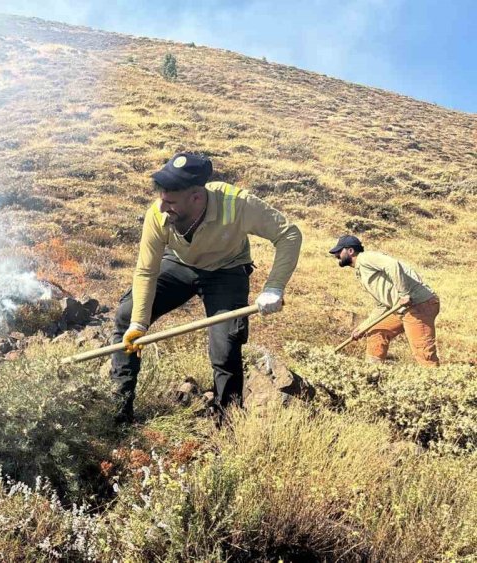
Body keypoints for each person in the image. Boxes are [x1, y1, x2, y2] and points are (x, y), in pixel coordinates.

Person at [111, 152, 303, 424]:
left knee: (225, 348)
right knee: (126, 316)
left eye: (171, 202)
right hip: (179, 264)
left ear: (197, 198)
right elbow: (146, 271)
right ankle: (119, 408)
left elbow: (289, 234)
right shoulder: (158, 212)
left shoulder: (236, 204)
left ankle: (227, 423)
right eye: (162, 199)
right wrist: (139, 324)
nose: (163, 207)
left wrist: (274, 287)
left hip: (226, 271)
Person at [329, 235, 440, 366]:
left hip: (418, 305)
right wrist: (363, 327)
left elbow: (392, 264)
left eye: (339, 251)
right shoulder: (361, 271)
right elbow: (382, 304)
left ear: (351, 251)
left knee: (423, 352)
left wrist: (404, 293)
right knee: (376, 331)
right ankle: (372, 373)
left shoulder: (365, 258)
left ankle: (434, 382)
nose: (336, 255)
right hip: (403, 308)